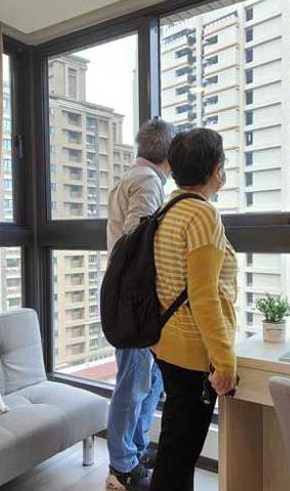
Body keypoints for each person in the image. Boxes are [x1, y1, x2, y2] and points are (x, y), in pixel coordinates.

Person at [150, 128, 237, 491]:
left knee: (175, 449)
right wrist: (224, 360)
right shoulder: (202, 215)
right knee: (178, 457)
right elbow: (203, 296)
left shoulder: (167, 210)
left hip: (165, 343)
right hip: (192, 352)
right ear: (215, 169)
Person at [105, 118, 178, 491]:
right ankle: (122, 467)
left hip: (130, 298)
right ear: (169, 154)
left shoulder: (134, 177)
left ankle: (133, 450)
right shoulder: (147, 181)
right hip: (134, 300)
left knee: (148, 380)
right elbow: (135, 240)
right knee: (133, 383)